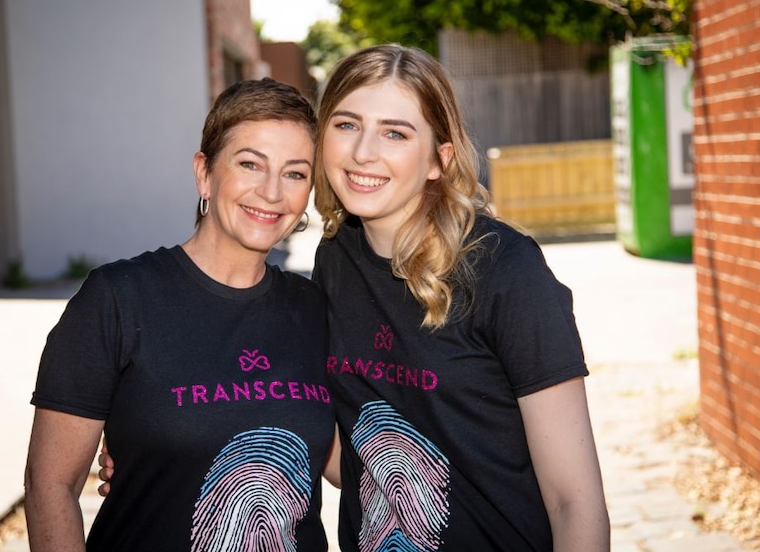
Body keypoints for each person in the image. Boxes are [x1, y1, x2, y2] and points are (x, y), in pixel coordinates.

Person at [100, 44, 610, 551]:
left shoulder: (506, 269)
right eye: (346, 125)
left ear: (439, 159)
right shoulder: (335, 261)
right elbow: (343, 452)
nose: (364, 152)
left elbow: (574, 502)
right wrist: (166, 444)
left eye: (395, 132)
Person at [24, 77, 337, 552]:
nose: (272, 192)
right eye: (250, 164)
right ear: (204, 173)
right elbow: (50, 487)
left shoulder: (315, 308)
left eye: (295, 173)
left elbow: (344, 463)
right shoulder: (117, 298)